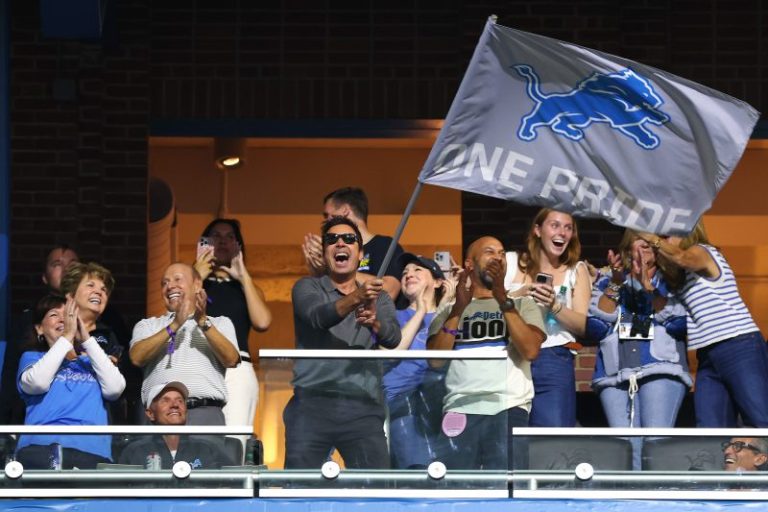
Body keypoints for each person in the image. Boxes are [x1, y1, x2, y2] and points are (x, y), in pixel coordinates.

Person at [284, 216, 401, 469]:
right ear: (325, 253)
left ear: (360, 254)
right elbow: (317, 317)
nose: (340, 243)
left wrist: (375, 324)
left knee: (375, 493)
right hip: (311, 405)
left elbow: (393, 338)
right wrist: (357, 297)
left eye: (349, 239)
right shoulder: (307, 287)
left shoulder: (378, 297)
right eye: (331, 239)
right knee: (299, 493)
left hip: (362, 407)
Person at [428, 236, 546, 469]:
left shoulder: (522, 304)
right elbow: (435, 360)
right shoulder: (449, 308)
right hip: (459, 407)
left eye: (502, 254)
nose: (498, 258)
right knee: (455, 492)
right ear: (470, 263)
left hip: (508, 407)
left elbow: (531, 350)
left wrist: (503, 298)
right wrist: (458, 309)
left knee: (507, 492)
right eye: (490, 252)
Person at [640, 223, 768, 427]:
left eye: (668, 234)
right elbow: (663, 308)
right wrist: (646, 284)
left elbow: (681, 257)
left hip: (738, 344)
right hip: (708, 354)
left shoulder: (702, 251)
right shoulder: (679, 275)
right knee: (710, 427)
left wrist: (651, 238)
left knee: (760, 418)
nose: (662, 239)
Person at [586, 230, 692, 468]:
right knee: (625, 449)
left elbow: (678, 323)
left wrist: (649, 288)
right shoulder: (608, 280)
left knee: (655, 444)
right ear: (626, 249)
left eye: (649, 245)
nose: (643, 249)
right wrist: (615, 283)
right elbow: (595, 326)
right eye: (638, 244)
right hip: (615, 375)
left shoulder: (672, 281)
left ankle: (655, 503)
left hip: (662, 369)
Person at [15, 294, 126, 469]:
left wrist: (87, 340)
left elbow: (115, 389)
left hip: (92, 452)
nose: (63, 319)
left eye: (68, 314)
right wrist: (66, 337)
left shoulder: (92, 362)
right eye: (54, 314)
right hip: (42, 451)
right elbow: (37, 383)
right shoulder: (33, 358)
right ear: (39, 329)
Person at [504, 208, 590, 427]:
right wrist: (521, 293)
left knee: (552, 436)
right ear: (537, 230)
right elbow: (488, 301)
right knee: (509, 433)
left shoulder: (576, 270)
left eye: (568, 227)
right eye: (555, 225)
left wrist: (555, 305)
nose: (561, 232)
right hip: (511, 356)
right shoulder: (512, 262)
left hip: (554, 357)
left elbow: (582, 325)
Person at [130, 263, 240, 426]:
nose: (170, 286)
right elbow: (137, 357)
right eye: (165, 283)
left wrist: (202, 321)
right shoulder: (148, 325)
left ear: (197, 285)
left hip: (204, 414)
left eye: (177, 279)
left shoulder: (220, 323)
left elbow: (231, 359)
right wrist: (175, 324)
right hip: (159, 417)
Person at [194, 218, 271, 447]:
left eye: (230, 237)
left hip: (237, 370)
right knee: (197, 442)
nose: (223, 241)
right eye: (216, 236)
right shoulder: (194, 280)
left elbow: (263, 321)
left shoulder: (246, 287)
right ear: (204, 242)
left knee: (234, 442)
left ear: (239, 246)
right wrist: (196, 275)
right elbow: (176, 312)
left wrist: (243, 275)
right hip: (199, 364)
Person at [381, 253, 455, 469]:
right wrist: (420, 311)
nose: (409, 275)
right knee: (415, 476)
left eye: (417, 270)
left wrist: (449, 306)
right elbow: (391, 350)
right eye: (404, 273)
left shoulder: (452, 315)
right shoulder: (392, 315)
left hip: (444, 406)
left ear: (438, 282)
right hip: (403, 407)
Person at [302, 187, 405, 301]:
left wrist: (333, 270)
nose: (326, 221)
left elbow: (390, 291)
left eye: (328, 215)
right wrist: (318, 271)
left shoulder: (385, 245)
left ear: (345, 210)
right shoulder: (330, 252)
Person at [118, 381, 233, 469]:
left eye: (180, 401)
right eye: (165, 400)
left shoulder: (207, 449)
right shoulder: (135, 451)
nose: (174, 405)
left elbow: (234, 481)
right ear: (150, 414)